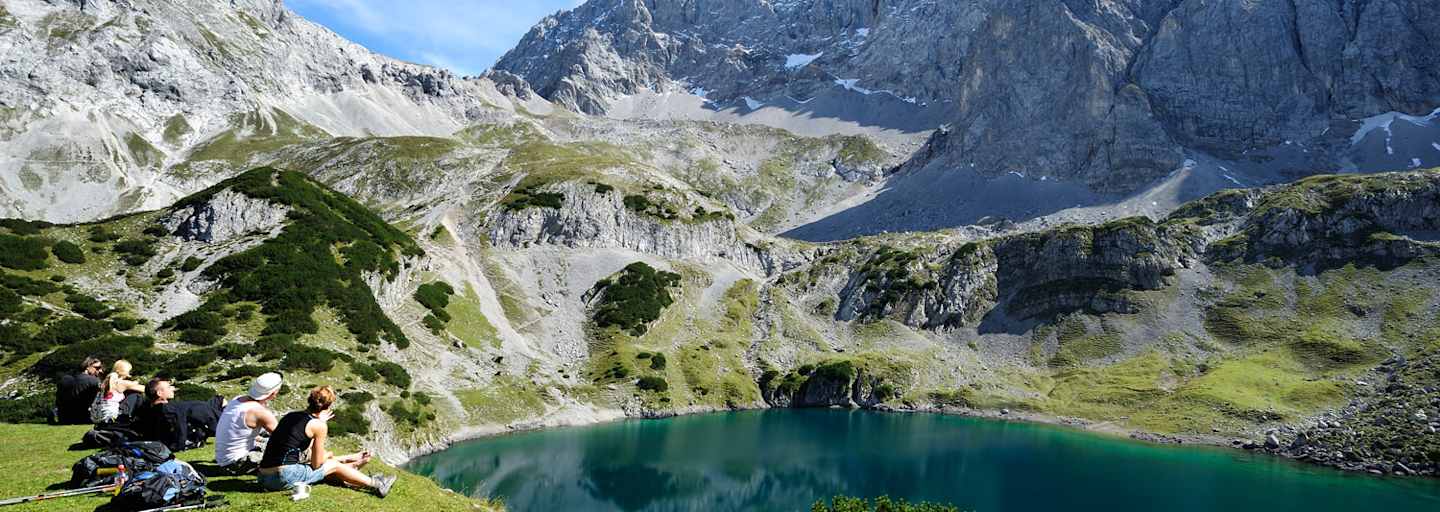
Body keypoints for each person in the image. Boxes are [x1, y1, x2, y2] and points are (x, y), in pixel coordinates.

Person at [258, 386, 395, 498]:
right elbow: (316, 464)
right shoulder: (319, 426)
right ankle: (377, 484)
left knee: (328, 463)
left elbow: (303, 448)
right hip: (282, 477)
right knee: (332, 464)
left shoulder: (291, 416)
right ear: (328, 406)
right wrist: (327, 453)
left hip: (263, 476)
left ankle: (352, 470)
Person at [214, 373, 283, 475]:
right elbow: (284, 437)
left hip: (223, 460)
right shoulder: (259, 412)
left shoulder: (237, 400)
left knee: (266, 442)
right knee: (287, 452)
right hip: (238, 463)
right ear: (273, 393)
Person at [133, 377, 224, 452]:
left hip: (200, 411)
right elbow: (180, 426)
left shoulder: (149, 409)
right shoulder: (168, 409)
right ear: (159, 393)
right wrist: (179, 445)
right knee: (219, 403)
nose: (172, 389)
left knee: (218, 401)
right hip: (203, 415)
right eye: (168, 387)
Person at [89, 360, 145, 424]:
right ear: (125, 371)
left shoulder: (106, 381)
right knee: (136, 395)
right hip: (110, 417)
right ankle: (139, 421)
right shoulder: (121, 383)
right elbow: (145, 389)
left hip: (97, 417)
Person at [55, 356, 103, 424]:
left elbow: (58, 400)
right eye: (97, 368)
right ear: (88, 367)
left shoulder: (64, 379)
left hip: (63, 418)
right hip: (82, 419)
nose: (101, 370)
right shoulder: (94, 381)